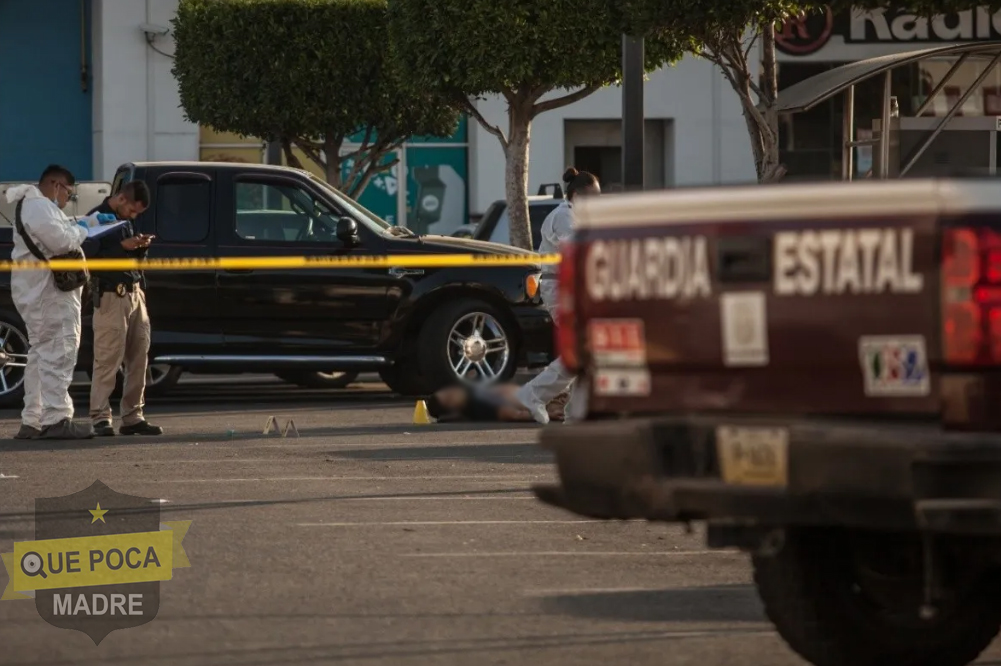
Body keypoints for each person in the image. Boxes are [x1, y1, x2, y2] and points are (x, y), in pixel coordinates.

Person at [7, 165, 108, 440]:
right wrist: (84, 230)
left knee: (41, 355)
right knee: (58, 352)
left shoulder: (34, 206)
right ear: (56, 185)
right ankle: (57, 418)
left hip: (38, 291)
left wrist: (86, 222)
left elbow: (58, 229)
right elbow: (62, 241)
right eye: (68, 194)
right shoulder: (38, 207)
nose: (67, 200)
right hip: (47, 293)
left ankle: (33, 420)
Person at [516, 167, 600, 425]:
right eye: (591, 196)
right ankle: (533, 394)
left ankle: (574, 415)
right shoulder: (563, 217)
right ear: (575, 194)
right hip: (561, 290)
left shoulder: (578, 216)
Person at [83, 181, 162, 437]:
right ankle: (100, 417)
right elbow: (86, 257)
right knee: (107, 358)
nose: (134, 216)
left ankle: (132, 416)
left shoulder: (125, 221)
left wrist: (141, 247)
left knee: (139, 357)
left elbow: (131, 260)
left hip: (134, 292)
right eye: (132, 210)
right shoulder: (95, 219)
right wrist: (122, 247)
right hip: (110, 294)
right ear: (121, 199)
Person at [425, 382, 566, 423]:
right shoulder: (478, 406)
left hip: (545, 393)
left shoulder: (474, 393)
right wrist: (548, 414)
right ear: (451, 405)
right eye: (449, 395)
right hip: (548, 401)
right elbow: (513, 415)